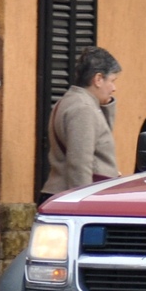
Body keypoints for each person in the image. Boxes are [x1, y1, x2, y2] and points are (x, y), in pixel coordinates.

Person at [40, 46, 122, 204]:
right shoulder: (83, 108)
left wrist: (107, 106)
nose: (114, 88)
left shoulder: (74, 101)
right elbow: (79, 163)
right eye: (112, 81)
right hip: (75, 196)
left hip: (63, 193)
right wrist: (83, 204)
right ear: (98, 79)